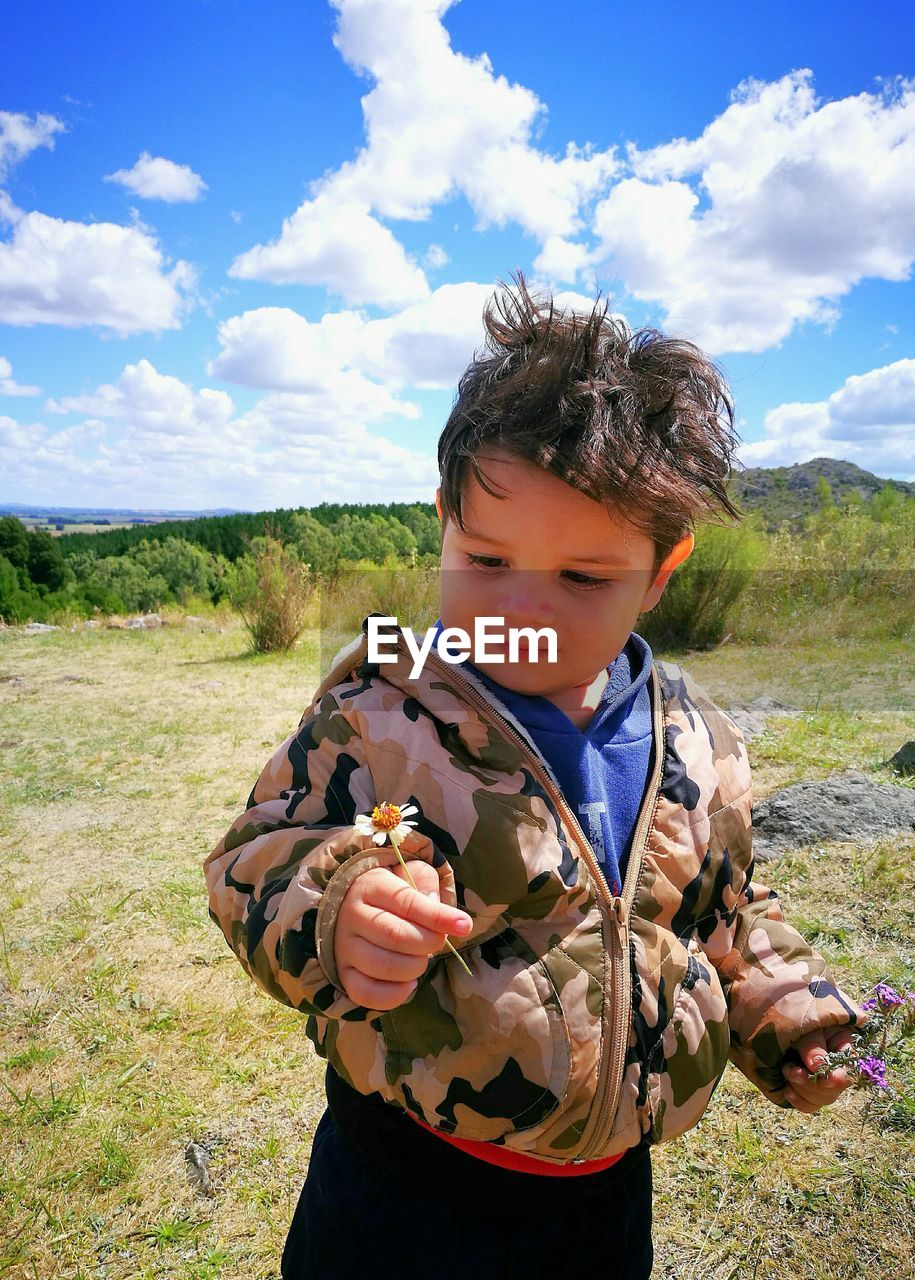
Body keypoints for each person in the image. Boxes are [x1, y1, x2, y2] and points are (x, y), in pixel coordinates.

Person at [204, 278, 867, 1280]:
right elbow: (252, 855)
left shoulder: (698, 744)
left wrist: (787, 1009)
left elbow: (723, 909)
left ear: (662, 570)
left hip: (603, 1202)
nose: (521, 608)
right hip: (400, 1189)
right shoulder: (383, 713)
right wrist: (335, 905)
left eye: (582, 577)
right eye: (486, 557)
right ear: (443, 522)